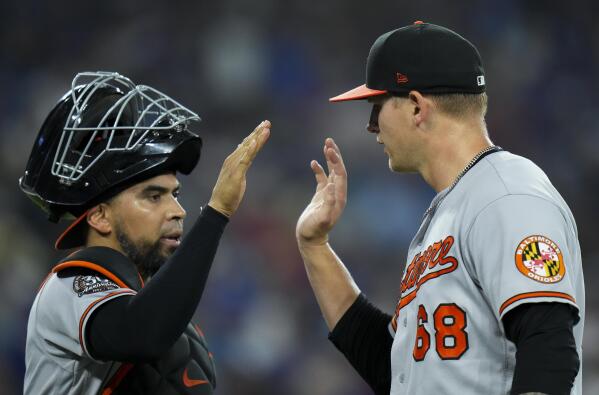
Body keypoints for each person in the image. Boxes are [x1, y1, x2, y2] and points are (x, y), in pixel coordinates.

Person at [296, 22, 584, 395]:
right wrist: (314, 246)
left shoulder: (507, 195)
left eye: (377, 106)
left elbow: (549, 352)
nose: (371, 126)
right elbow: (396, 371)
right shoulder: (453, 208)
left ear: (416, 106)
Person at [20, 71, 270, 394]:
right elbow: (140, 333)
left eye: (175, 194)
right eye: (154, 196)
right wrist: (216, 212)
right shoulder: (67, 289)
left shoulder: (161, 308)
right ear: (99, 217)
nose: (178, 210)